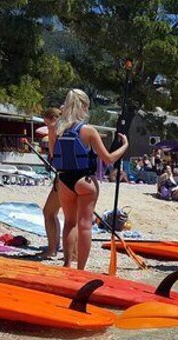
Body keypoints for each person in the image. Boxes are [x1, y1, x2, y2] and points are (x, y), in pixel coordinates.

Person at [50, 89, 129, 270]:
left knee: (69, 222)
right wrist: (125, 146)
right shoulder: (88, 131)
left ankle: (68, 263)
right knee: (84, 225)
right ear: (84, 106)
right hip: (85, 180)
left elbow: (54, 155)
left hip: (64, 180)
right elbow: (108, 159)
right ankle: (81, 269)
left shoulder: (57, 129)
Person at [39, 107, 73, 260]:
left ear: (52, 119)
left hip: (64, 176)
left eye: (47, 124)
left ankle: (53, 248)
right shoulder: (75, 128)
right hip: (80, 175)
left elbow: (54, 154)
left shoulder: (55, 129)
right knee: (74, 218)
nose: (47, 127)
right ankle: (73, 253)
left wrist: (51, 133)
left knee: (49, 212)